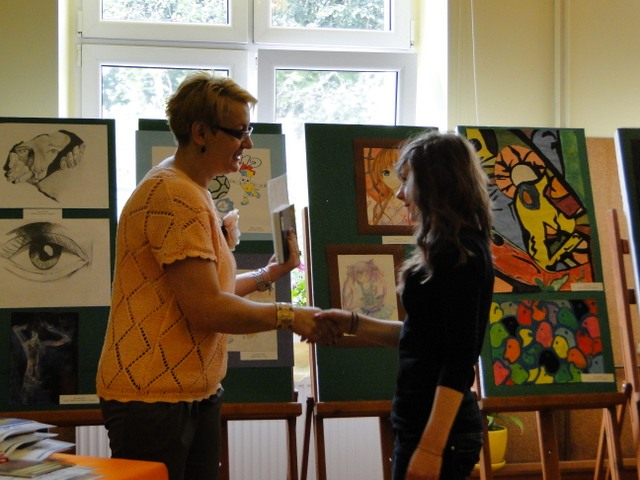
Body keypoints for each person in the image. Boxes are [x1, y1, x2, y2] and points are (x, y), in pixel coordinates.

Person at [96, 71, 330, 480]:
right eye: (240, 132)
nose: (248, 143)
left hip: (188, 392)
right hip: (154, 399)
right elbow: (207, 309)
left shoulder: (192, 188)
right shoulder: (174, 195)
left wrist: (269, 273)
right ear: (200, 132)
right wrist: (290, 316)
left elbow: (206, 290)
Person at [316, 131, 495, 480]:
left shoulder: (460, 253)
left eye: (407, 180)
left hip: (439, 436)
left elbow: (458, 360)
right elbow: (423, 338)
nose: (400, 194)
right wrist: (352, 322)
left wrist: (430, 449)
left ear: (435, 183)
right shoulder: (447, 247)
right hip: (422, 428)